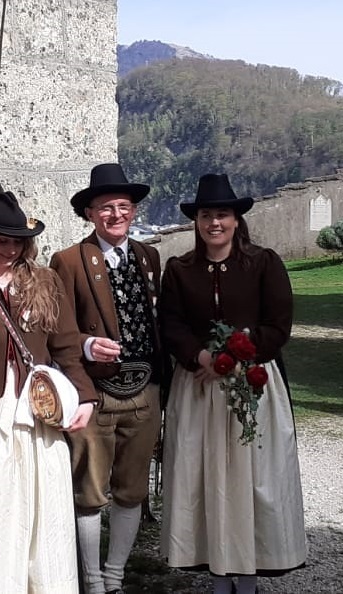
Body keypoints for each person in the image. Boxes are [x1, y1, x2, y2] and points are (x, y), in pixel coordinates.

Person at [158, 173, 306, 594]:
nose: (214, 223)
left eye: (222, 214)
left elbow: (278, 325)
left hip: (253, 385)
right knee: (206, 477)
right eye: (206, 215)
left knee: (252, 477)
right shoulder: (180, 270)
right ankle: (218, 573)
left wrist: (235, 354)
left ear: (237, 219)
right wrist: (201, 356)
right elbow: (171, 323)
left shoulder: (263, 263)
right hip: (199, 387)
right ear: (196, 221)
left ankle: (249, 574)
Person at [0, 191, 97, 593]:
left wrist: (85, 396)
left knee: (43, 504)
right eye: (1, 240)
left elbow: (66, 346)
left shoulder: (45, 283)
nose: (10, 249)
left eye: (17, 241)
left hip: (38, 408)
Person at [49, 163, 169, 594]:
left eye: (124, 206)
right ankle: (93, 578)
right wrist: (85, 346)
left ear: (134, 211)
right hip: (96, 393)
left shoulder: (147, 256)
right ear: (89, 213)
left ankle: (116, 573)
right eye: (106, 207)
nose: (116, 214)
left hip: (145, 392)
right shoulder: (67, 261)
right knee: (90, 491)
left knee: (132, 489)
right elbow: (58, 330)